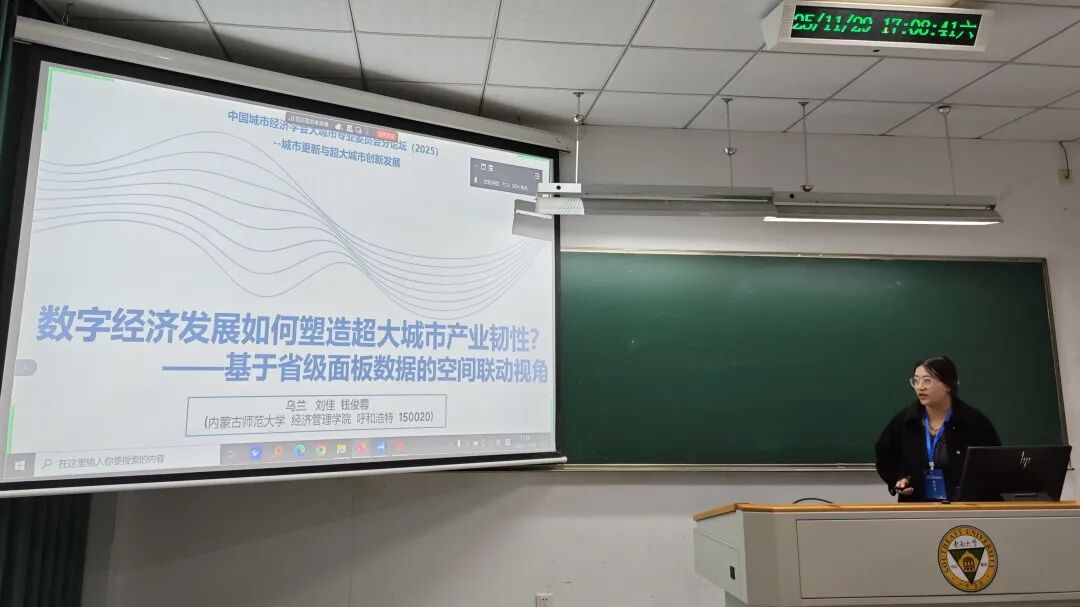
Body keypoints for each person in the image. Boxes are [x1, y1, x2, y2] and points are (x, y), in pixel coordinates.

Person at [875, 356, 1001, 502]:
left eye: (927, 380)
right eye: (916, 381)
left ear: (948, 385)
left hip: (964, 506)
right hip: (918, 505)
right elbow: (885, 456)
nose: (920, 387)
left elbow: (993, 465)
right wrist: (900, 478)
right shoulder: (907, 420)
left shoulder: (973, 421)